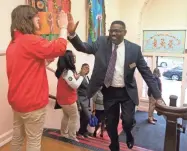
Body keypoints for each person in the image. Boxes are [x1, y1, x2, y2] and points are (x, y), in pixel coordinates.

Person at [66, 14, 163, 151]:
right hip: (109, 91)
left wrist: (158, 96)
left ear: (125, 32)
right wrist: (72, 34)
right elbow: (84, 47)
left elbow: (146, 73)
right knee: (111, 124)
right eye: (111, 30)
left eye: (117, 31)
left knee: (128, 122)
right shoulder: (101, 42)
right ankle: (114, 144)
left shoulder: (134, 49)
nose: (113, 33)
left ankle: (128, 134)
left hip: (127, 92)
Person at [6, 5, 68, 151]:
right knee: (33, 142)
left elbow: (26, 66)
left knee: (17, 138)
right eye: (36, 17)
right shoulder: (30, 40)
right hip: (32, 103)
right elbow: (60, 47)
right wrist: (63, 27)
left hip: (17, 102)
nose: (39, 21)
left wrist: (46, 61)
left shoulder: (14, 42)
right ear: (27, 19)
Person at [55, 50, 87, 141]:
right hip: (68, 100)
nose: (74, 57)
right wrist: (82, 76)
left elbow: (72, 79)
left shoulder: (64, 71)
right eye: (73, 56)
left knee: (66, 116)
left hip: (62, 99)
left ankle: (63, 133)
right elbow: (75, 85)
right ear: (69, 59)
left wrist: (80, 74)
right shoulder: (67, 72)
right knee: (74, 117)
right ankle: (72, 136)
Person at [77, 63, 92, 138]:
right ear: (82, 68)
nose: (87, 69)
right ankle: (80, 132)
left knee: (85, 116)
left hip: (87, 99)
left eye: (88, 68)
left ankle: (84, 132)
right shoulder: (79, 76)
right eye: (85, 67)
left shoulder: (87, 77)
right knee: (85, 116)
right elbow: (76, 89)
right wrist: (78, 103)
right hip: (81, 98)